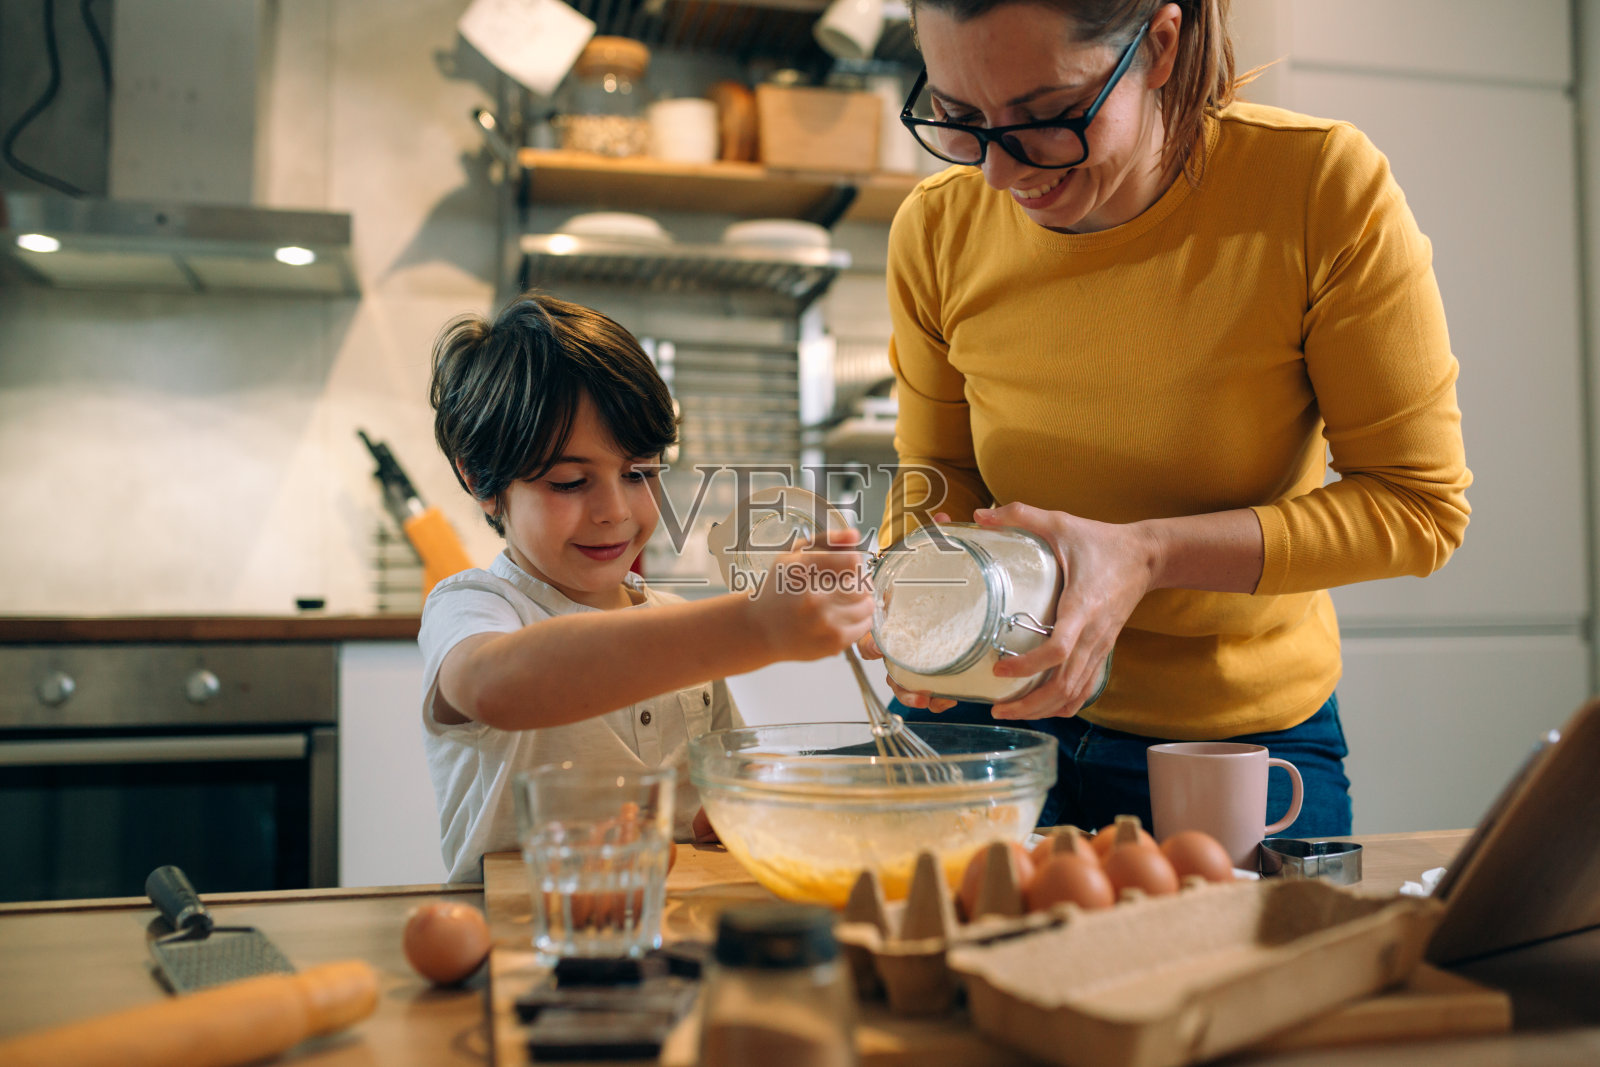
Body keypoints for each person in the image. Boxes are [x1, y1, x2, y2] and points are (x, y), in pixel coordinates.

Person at [864, 0, 1471, 838]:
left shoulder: (1316, 189)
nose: (999, 176)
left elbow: (1417, 508)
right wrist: (919, 598)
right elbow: (941, 476)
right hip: (993, 718)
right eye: (961, 118)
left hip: (1230, 738)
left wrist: (1146, 555)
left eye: (1046, 117)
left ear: (1158, 46)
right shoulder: (936, 229)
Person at [421, 293, 872, 882]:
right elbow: (493, 686)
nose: (614, 511)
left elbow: (727, 790)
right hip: (522, 941)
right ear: (481, 479)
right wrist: (756, 624)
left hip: (670, 935)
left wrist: (747, 803)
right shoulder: (477, 605)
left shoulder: (674, 621)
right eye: (570, 481)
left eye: (640, 474)